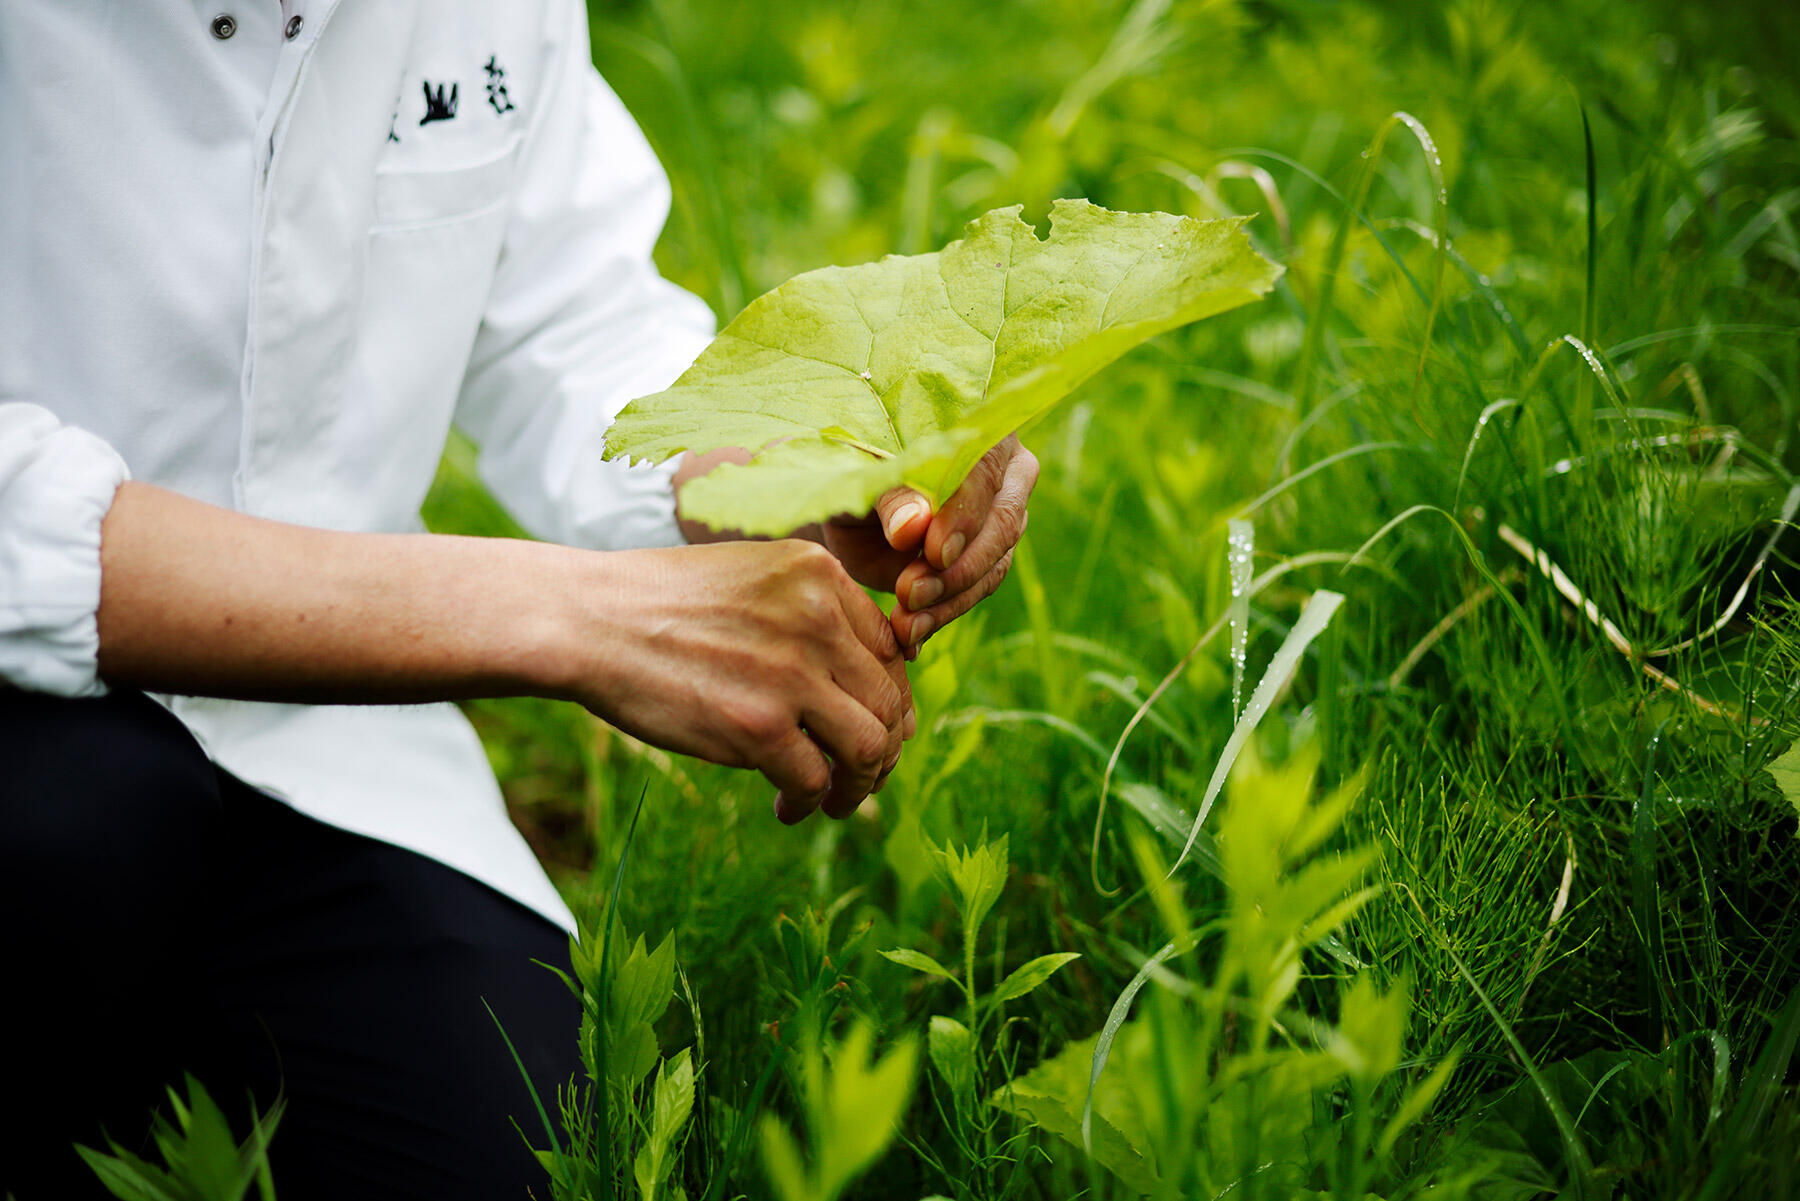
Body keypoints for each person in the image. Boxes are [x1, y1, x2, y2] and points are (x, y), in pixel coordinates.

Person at [0, 2, 1036, 1197]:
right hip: (37, 731)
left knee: (510, 1154)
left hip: (332, 746)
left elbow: (573, 320)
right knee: (84, 828)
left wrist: (789, 473)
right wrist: (570, 617)